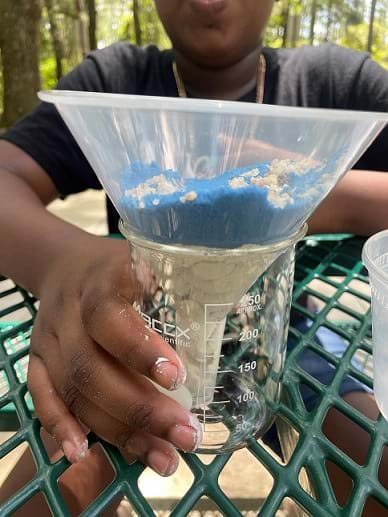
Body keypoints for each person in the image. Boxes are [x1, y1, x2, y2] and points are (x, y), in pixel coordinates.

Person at [0, 0, 388, 514]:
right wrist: (61, 261)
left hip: (290, 331)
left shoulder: (337, 81)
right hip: (136, 320)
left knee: (372, 469)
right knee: (51, 482)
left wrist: (302, 186)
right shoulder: (115, 79)